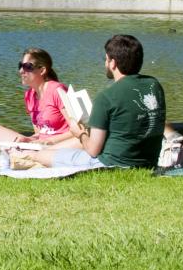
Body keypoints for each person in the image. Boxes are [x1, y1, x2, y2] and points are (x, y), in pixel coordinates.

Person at [17, 34, 165, 171]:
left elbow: (93, 150)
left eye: (106, 59)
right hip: (148, 161)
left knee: (38, 155)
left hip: (110, 163)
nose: (105, 63)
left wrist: (80, 133)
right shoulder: (154, 85)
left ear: (113, 63)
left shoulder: (107, 96)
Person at [0, 48, 81, 149]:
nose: (21, 71)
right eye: (20, 66)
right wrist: (29, 140)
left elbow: (79, 130)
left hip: (61, 145)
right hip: (41, 145)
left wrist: (49, 141)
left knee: (10, 156)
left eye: (27, 66)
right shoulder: (29, 96)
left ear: (42, 70)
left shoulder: (57, 90)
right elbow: (40, 133)